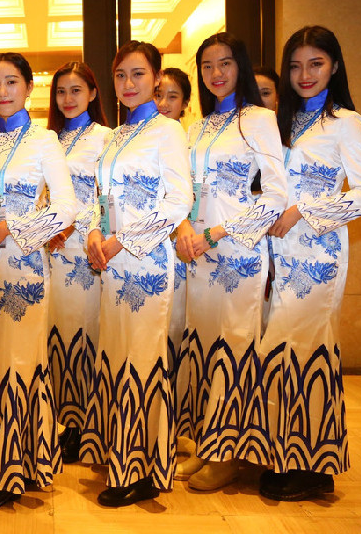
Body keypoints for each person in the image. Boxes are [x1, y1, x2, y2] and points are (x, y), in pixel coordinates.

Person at [259, 25, 361, 501]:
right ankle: (289, 455)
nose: (304, 74)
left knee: (307, 353)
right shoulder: (283, 121)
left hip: (317, 256)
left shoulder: (345, 121)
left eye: (316, 63)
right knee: (282, 355)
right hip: (274, 257)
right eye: (295, 65)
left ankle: (316, 467)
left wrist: (304, 212)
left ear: (334, 65)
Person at [0, 52, 78, 513]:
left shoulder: (44, 140)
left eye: (12, 82)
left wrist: (9, 229)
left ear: (30, 88)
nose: (3, 91)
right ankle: (21, 459)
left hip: (22, 266)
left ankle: (10, 475)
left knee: (16, 362)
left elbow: (67, 207)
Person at [173, 32, 287, 491]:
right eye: (207, 66)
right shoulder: (197, 126)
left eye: (225, 64)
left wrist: (218, 233)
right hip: (196, 255)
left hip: (237, 249)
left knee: (234, 348)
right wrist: (185, 227)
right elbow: (182, 191)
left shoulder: (258, 119)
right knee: (202, 348)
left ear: (239, 66)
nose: (216, 74)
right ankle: (208, 443)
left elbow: (276, 194)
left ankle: (231, 454)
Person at [80, 41, 191, 506]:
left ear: (157, 78)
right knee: (117, 356)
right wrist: (91, 232)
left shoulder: (168, 132)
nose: (128, 84)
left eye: (138, 75)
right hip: (109, 263)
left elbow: (178, 200)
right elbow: (99, 196)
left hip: (145, 261)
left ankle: (145, 470)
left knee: (143, 360)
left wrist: (123, 239)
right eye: (121, 75)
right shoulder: (114, 136)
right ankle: (120, 457)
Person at [45, 61, 109, 464]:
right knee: (56, 335)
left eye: (76, 91)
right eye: (61, 92)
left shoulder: (106, 137)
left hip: (85, 250)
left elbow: (104, 198)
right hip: (47, 249)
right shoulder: (47, 139)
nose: (68, 99)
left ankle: (88, 426)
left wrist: (74, 227)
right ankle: (66, 425)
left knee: (85, 334)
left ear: (92, 93)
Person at [154, 67, 203, 480]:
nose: (163, 104)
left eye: (172, 97)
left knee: (184, 339)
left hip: (192, 253)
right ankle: (161, 430)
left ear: (185, 102)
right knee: (161, 338)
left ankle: (184, 431)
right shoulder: (142, 137)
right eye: (159, 94)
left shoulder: (190, 140)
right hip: (153, 249)